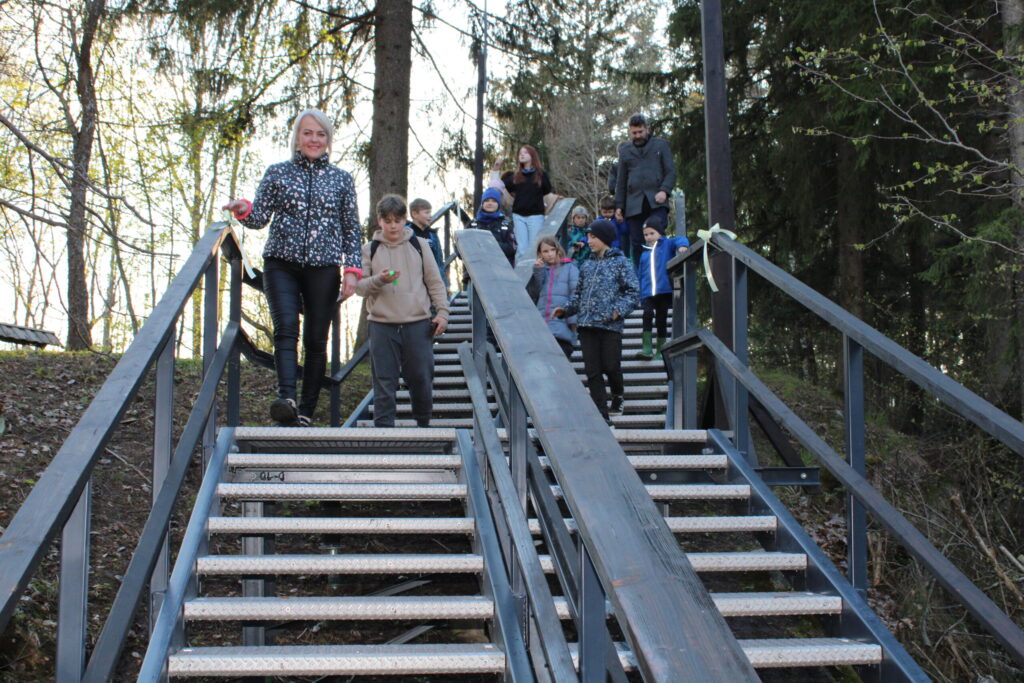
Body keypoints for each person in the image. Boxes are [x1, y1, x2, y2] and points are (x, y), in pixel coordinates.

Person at [223, 109, 362, 427]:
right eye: (308, 133)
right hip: (281, 263)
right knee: (285, 328)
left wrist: (352, 271)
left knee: (316, 339)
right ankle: (285, 399)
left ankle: (305, 411)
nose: (314, 139)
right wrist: (245, 209)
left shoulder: (341, 180)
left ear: (328, 141)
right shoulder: (277, 173)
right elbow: (259, 219)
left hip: (324, 267)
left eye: (321, 134)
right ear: (297, 138)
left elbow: (351, 229)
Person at [356, 195, 450, 428]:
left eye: (397, 220)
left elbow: (435, 282)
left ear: (404, 219)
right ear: (380, 221)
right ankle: (383, 433)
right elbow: (359, 287)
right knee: (384, 381)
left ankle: (423, 425)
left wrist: (443, 313)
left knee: (421, 378)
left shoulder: (419, 245)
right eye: (388, 221)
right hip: (381, 324)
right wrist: (380, 279)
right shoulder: (370, 249)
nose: (393, 226)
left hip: (418, 323)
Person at [552, 218, 640, 422]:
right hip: (586, 325)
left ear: (604, 239)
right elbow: (578, 294)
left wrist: (618, 310)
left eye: (593, 237)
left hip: (610, 325)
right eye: (588, 236)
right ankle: (602, 415)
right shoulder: (586, 265)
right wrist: (565, 310)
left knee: (610, 366)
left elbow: (634, 292)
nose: (589, 241)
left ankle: (618, 394)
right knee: (592, 372)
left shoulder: (621, 262)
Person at [614, 113, 676, 267]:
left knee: (658, 238)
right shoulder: (625, 151)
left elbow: (670, 171)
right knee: (637, 243)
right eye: (634, 133)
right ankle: (641, 279)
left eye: (640, 132)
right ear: (630, 132)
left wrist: (664, 190)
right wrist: (619, 206)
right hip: (634, 204)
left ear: (646, 129)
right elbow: (621, 180)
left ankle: (663, 273)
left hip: (656, 202)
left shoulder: (660, 145)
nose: (638, 135)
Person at [636, 214, 689, 361]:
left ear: (660, 233)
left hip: (664, 291)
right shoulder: (644, 253)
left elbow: (680, 239)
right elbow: (641, 274)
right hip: (648, 293)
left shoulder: (667, 245)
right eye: (646, 234)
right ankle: (646, 347)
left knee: (661, 319)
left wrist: (683, 246)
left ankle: (661, 349)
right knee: (647, 314)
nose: (649, 237)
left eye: (652, 233)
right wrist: (640, 294)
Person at [496, 145, 552, 264]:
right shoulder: (516, 175)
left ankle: (534, 275)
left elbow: (547, 190)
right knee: (521, 249)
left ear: (532, 156)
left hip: (536, 215)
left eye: (525, 153)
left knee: (534, 247)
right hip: (519, 215)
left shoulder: (540, 174)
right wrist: (496, 169)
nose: (522, 155)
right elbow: (497, 184)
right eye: (520, 153)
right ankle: (520, 277)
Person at [526, 236, 579, 359]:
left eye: (552, 250)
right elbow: (533, 294)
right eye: (545, 251)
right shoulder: (539, 270)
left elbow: (575, 295)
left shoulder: (570, 268)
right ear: (540, 254)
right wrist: (538, 271)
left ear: (557, 250)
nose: (550, 254)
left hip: (562, 328)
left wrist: (573, 325)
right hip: (542, 328)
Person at [469, 187, 516, 265]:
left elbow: (512, 248)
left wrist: (492, 244)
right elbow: (461, 247)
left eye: (494, 201)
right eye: (487, 200)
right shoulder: (473, 224)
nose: (490, 203)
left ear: (498, 204)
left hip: (501, 269)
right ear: (482, 203)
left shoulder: (506, 225)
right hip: (476, 268)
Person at [407, 198, 448, 288]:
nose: (430, 216)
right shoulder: (406, 233)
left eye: (430, 212)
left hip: (431, 280)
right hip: (412, 281)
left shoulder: (432, 235)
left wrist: (444, 284)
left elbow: (439, 262)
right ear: (414, 214)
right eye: (426, 212)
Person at [599, 195, 630, 260]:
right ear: (601, 211)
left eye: (610, 212)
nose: (607, 214)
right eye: (604, 212)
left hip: (616, 249)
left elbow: (625, 231)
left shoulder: (617, 220)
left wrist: (621, 222)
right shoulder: (598, 221)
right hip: (603, 249)